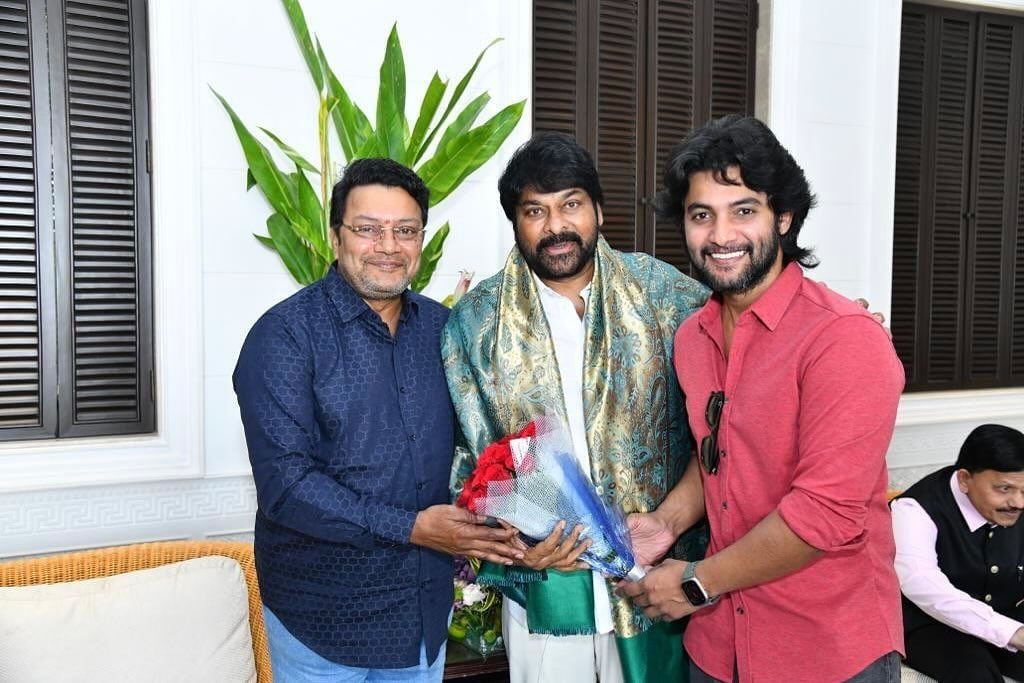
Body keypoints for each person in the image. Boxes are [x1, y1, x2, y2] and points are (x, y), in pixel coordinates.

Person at [619, 115, 905, 682]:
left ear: (785, 216)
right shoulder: (692, 337)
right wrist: (666, 523)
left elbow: (823, 515)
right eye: (702, 215)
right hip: (718, 648)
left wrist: (696, 582)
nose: (721, 235)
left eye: (744, 210)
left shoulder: (843, 339)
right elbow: (719, 454)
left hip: (825, 651)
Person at [233, 158, 520, 681]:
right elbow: (286, 486)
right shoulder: (285, 338)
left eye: (405, 230)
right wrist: (412, 527)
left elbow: (479, 442)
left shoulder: (445, 329)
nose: (388, 246)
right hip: (322, 623)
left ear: (421, 240)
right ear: (336, 235)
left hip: (420, 616)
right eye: (368, 229)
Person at [441, 132, 710, 683]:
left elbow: (734, 397)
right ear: (514, 224)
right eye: (534, 211)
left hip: (652, 569)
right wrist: (515, 547)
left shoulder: (667, 296)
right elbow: (468, 464)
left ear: (598, 211)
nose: (555, 225)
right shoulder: (475, 324)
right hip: (545, 580)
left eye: (571, 204)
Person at [892, 423, 1024, 683]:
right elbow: (922, 583)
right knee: (974, 674)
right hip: (931, 625)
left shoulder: (1018, 498)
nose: (1018, 502)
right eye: (1004, 489)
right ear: (965, 479)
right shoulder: (913, 509)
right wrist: (1014, 633)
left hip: (1004, 611)